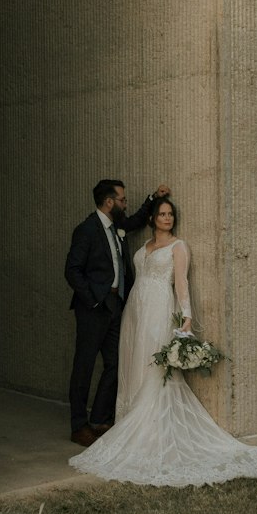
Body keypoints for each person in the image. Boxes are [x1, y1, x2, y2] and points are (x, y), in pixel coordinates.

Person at [69, 197, 257, 487]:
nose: (167, 218)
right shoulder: (143, 248)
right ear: (153, 218)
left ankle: (150, 429)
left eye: (170, 214)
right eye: (162, 214)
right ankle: (128, 418)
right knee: (131, 362)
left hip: (157, 308)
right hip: (134, 310)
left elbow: (181, 280)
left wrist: (187, 316)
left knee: (152, 363)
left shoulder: (179, 246)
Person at [65, 179, 170, 446]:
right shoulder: (86, 230)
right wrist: (94, 300)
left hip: (115, 307)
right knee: (84, 366)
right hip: (93, 308)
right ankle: (79, 425)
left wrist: (153, 198)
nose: (125, 204)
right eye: (122, 200)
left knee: (115, 363)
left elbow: (135, 221)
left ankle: (100, 418)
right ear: (109, 202)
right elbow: (72, 270)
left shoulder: (116, 227)